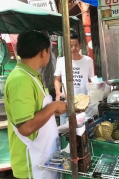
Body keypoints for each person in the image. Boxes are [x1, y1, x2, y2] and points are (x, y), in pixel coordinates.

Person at [4, 31, 67, 179]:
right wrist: (52, 106)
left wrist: (56, 109)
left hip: (43, 159)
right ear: (43, 52)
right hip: (31, 166)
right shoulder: (20, 80)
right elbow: (26, 127)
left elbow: (37, 112)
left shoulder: (32, 76)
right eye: (49, 50)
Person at [54, 34, 94, 125]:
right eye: (70, 46)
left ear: (80, 45)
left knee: (82, 131)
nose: (73, 48)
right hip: (66, 103)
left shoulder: (88, 61)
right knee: (65, 131)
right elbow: (57, 79)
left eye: (76, 45)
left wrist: (93, 94)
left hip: (83, 104)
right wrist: (58, 93)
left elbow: (92, 80)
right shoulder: (61, 61)